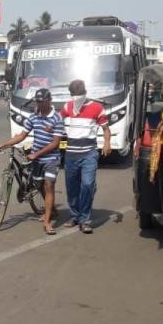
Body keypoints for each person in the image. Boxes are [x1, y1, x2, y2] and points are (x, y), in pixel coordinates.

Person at [0, 88, 64, 235]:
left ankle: (48, 222)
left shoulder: (57, 118)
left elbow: (55, 143)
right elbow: (22, 135)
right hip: (36, 159)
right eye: (38, 102)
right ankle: (52, 210)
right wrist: (4, 144)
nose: (39, 105)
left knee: (49, 185)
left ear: (49, 101)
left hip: (51, 158)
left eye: (42, 102)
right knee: (39, 185)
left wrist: (36, 154)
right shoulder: (33, 117)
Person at [59, 79, 111, 234]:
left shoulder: (97, 107)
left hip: (89, 153)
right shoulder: (67, 106)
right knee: (72, 188)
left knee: (87, 185)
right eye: (73, 95)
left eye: (78, 94)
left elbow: (105, 128)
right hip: (71, 154)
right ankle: (75, 216)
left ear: (85, 93)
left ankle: (85, 220)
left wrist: (107, 143)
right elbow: (56, 121)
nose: (76, 97)